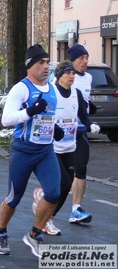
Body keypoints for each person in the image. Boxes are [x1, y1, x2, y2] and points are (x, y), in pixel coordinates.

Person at [0, 44, 61, 257]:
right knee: (14, 197)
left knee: (54, 193)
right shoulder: (21, 88)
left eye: (47, 62)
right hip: (23, 150)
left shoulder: (52, 88)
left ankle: (34, 234)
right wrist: (29, 111)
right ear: (30, 66)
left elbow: (48, 115)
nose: (45, 66)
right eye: (41, 63)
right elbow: (6, 119)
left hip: (45, 151)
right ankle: (1, 232)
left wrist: (54, 127)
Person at [31, 60, 100, 236]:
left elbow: (83, 116)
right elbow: (41, 116)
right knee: (61, 184)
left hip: (70, 145)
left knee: (67, 185)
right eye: (68, 74)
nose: (71, 77)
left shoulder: (76, 93)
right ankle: (44, 204)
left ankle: (48, 217)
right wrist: (54, 129)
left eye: (73, 74)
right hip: (52, 147)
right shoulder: (51, 93)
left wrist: (91, 125)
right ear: (59, 75)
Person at [66, 44, 95, 223]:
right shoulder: (66, 77)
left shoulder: (89, 77)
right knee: (64, 175)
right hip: (65, 131)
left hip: (81, 129)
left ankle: (76, 209)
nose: (85, 61)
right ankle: (45, 201)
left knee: (81, 168)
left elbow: (85, 99)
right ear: (73, 61)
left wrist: (89, 107)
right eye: (81, 58)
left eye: (86, 57)